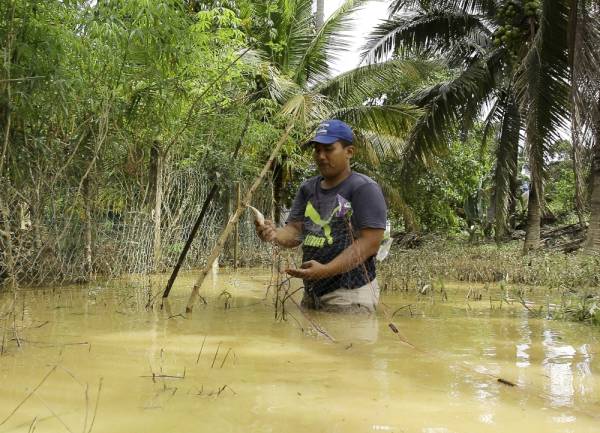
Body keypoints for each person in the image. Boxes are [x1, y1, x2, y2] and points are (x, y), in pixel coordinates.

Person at [255, 119, 387, 313]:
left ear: (349, 152)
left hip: (350, 293)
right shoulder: (307, 188)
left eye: (328, 149)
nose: (321, 156)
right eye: (317, 150)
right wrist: (273, 234)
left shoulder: (364, 188)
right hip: (313, 291)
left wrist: (325, 270)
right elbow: (294, 231)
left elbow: (370, 243)